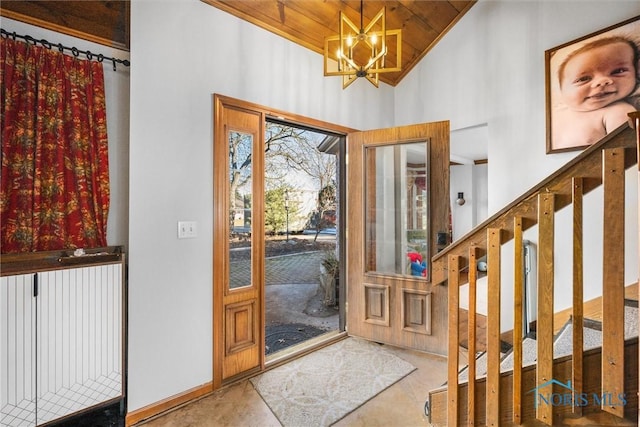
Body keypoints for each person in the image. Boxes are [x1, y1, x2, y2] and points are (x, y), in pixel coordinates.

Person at [552, 36, 639, 150]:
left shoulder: (618, 111)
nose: (602, 82)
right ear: (561, 89)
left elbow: (628, 152)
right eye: (584, 79)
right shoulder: (557, 113)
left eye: (618, 71)